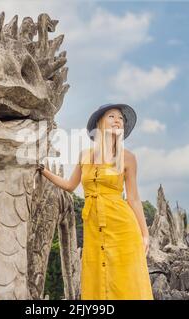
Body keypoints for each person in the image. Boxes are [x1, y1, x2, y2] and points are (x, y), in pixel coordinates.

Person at [37, 103, 154, 300]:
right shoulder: (85, 155)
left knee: (125, 279)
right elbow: (70, 186)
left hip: (122, 226)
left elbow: (133, 198)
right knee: (97, 275)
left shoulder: (128, 159)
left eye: (120, 118)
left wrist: (145, 234)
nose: (118, 120)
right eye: (112, 116)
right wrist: (43, 170)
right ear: (100, 123)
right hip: (93, 224)